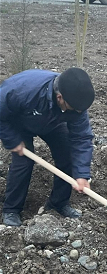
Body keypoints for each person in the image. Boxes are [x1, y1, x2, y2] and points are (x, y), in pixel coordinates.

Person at [0, 67, 95, 226]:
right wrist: (11, 139)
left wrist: (82, 174)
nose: (78, 113)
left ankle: (58, 203)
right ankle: (11, 210)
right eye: (75, 109)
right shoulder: (23, 91)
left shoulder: (75, 103)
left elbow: (81, 138)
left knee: (68, 155)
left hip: (52, 120)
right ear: (60, 97)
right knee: (24, 161)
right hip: (18, 121)